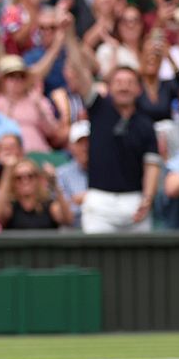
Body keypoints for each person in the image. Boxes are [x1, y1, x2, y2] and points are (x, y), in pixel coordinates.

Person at [68, 57, 161, 234]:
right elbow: (80, 72)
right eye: (118, 82)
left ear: (139, 89)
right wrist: (69, 36)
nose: (124, 87)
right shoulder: (98, 108)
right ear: (109, 87)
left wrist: (148, 199)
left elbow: (152, 165)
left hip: (135, 202)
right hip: (99, 203)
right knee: (96, 260)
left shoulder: (146, 124)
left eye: (129, 83)